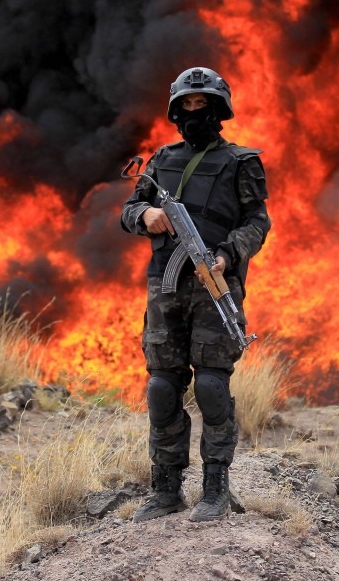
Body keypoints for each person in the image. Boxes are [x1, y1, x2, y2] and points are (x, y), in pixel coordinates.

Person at [120, 66, 271, 522]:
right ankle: (166, 490)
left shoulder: (241, 161)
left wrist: (227, 254)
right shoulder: (161, 160)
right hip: (164, 289)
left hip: (214, 285)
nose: (193, 112)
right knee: (163, 387)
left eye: (200, 104)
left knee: (210, 384)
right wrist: (145, 214)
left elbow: (258, 222)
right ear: (174, 110)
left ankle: (215, 490)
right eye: (185, 105)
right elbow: (128, 211)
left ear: (218, 109)